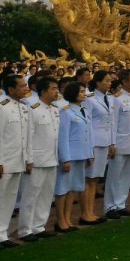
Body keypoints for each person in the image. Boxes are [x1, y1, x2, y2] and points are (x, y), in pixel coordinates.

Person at [19, 76, 60, 241]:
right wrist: (29, 160)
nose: (56, 91)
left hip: (52, 157)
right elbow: (28, 136)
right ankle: (25, 230)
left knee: (46, 194)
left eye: (57, 88)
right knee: (31, 195)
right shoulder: (33, 109)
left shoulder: (55, 109)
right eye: (53, 89)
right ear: (43, 91)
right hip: (36, 159)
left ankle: (39, 226)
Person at [105, 69, 130, 218]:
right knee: (115, 176)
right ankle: (110, 206)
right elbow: (113, 123)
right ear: (125, 81)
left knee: (127, 176)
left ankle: (120, 204)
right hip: (120, 143)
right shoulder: (117, 99)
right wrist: (112, 143)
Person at [0, 74, 32, 247]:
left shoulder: (23, 107)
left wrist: (28, 159)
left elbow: (25, 137)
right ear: (11, 89)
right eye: (21, 86)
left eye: (25, 85)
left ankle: (3, 235)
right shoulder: (2, 107)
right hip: (4, 161)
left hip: (18, 161)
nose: (25, 88)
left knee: (10, 199)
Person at [55, 81, 91, 233]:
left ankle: (68, 219)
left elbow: (89, 135)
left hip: (81, 154)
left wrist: (90, 154)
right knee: (63, 189)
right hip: (70, 155)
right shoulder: (66, 112)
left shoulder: (84, 111)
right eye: (81, 91)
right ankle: (60, 220)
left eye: (84, 91)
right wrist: (65, 158)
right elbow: (63, 137)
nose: (84, 94)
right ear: (73, 94)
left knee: (72, 189)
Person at [83, 70, 115, 224]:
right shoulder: (90, 99)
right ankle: (86, 213)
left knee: (95, 179)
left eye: (110, 81)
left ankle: (91, 211)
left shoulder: (109, 98)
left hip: (104, 142)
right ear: (97, 82)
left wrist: (112, 143)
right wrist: (88, 147)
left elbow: (111, 122)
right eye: (106, 81)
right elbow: (87, 123)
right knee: (89, 179)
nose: (109, 84)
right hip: (94, 142)